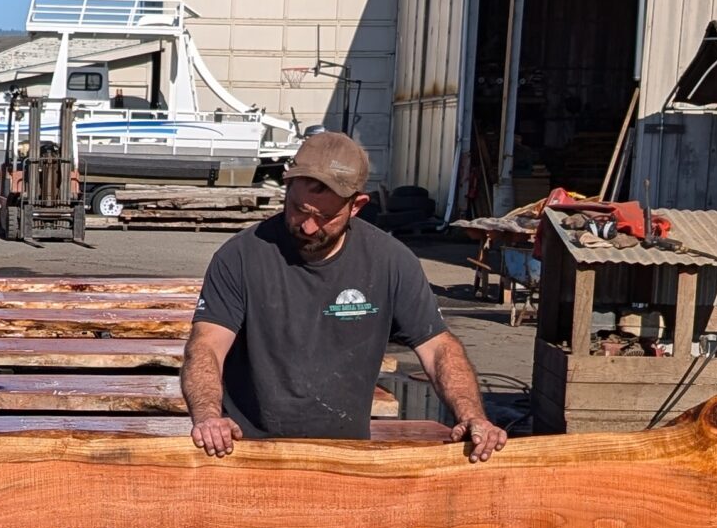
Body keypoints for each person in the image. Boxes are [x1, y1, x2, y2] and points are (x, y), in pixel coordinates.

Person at [183, 130, 505, 460]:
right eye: (298, 209)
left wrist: (472, 416)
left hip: (346, 457)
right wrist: (209, 416)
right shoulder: (241, 257)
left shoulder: (389, 262)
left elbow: (439, 349)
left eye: (324, 217)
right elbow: (206, 345)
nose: (308, 226)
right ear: (286, 187)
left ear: (356, 206)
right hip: (248, 452)